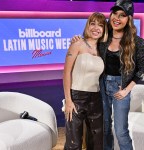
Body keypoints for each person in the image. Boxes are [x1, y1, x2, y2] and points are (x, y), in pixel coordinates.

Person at [71, 0, 144, 149]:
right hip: (101, 85)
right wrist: (77, 40)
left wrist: (127, 89)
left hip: (121, 88)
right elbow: (88, 40)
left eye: (122, 15)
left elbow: (143, 67)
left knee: (121, 132)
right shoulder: (104, 36)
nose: (117, 18)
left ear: (129, 19)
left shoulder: (137, 43)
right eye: (114, 13)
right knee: (105, 128)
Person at [63, 12, 108, 150]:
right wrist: (69, 101)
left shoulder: (103, 49)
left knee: (96, 142)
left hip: (96, 98)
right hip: (76, 97)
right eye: (93, 23)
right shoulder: (77, 44)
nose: (96, 28)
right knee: (74, 142)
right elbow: (66, 73)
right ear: (88, 26)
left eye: (100, 25)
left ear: (104, 30)